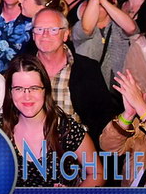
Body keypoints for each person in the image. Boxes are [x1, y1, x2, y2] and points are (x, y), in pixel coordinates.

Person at [0, 55, 104, 194]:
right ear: (10, 92)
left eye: (34, 88)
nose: (27, 96)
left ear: (45, 90)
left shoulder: (66, 129)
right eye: (19, 88)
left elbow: (97, 173)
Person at [27, 8, 115, 144]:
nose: (45, 35)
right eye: (39, 29)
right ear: (33, 35)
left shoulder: (87, 69)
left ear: (66, 34)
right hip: (31, 146)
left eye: (53, 30)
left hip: (78, 149)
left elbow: (103, 117)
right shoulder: (22, 68)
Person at [72, 0, 137, 89]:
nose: (96, 7)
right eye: (93, 3)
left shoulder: (118, 25)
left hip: (118, 91)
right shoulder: (79, 27)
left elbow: (131, 28)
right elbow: (87, 29)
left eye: (100, 4)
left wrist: (104, 2)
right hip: (89, 88)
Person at [100, 69, 146, 186]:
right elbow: (108, 148)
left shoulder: (144, 111)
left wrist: (141, 108)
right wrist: (128, 115)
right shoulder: (144, 114)